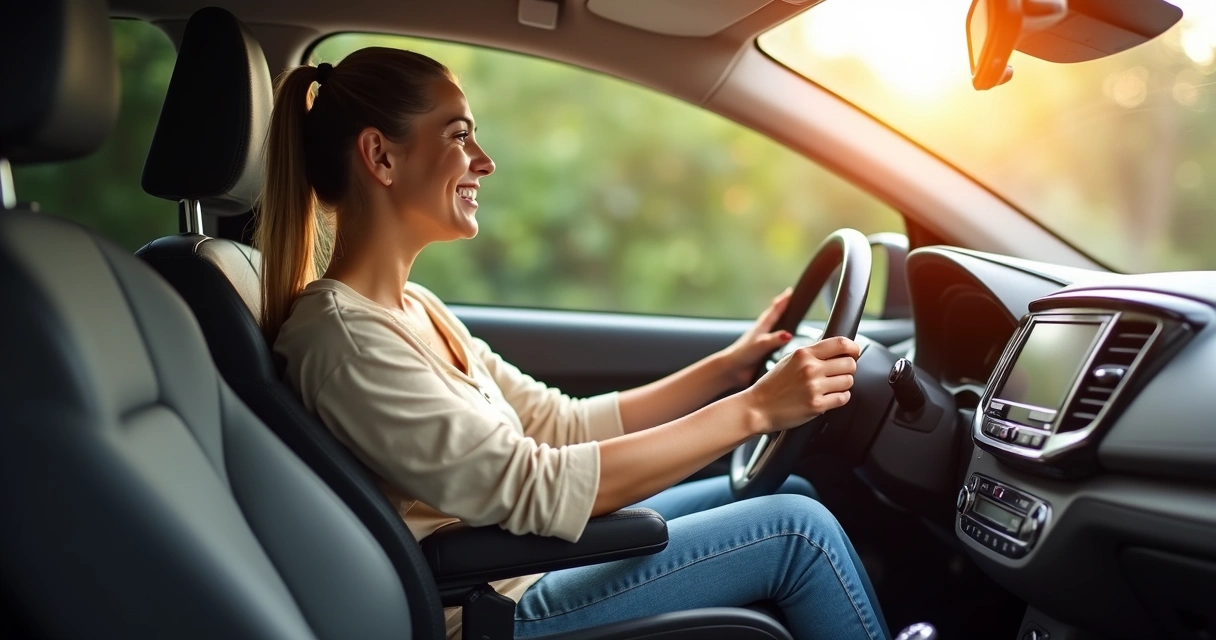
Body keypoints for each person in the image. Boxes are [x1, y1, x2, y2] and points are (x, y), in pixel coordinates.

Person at [258, 47, 890, 640]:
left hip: (524, 562)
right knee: (796, 532)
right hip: (495, 604)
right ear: (381, 157)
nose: (484, 160)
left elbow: (558, 423)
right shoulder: (346, 340)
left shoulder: (414, 308)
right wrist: (756, 409)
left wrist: (729, 370)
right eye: (458, 135)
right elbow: (532, 481)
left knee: (786, 492)